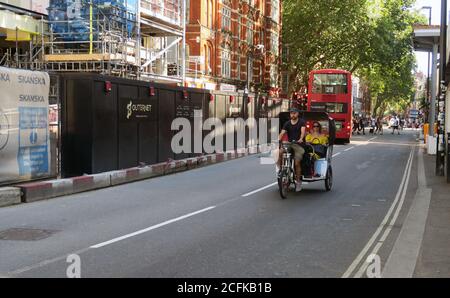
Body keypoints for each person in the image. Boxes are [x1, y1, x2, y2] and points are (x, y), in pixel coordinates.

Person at [278, 107, 306, 192]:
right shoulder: (287, 123)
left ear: (297, 114)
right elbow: (282, 133)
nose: (292, 115)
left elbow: (303, 132)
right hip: (290, 144)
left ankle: (298, 182)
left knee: (297, 163)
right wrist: (278, 139)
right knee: (280, 152)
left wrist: (301, 138)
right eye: (291, 113)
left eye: (294, 113)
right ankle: (282, 169)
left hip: (299, 145)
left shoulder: (301, 122)